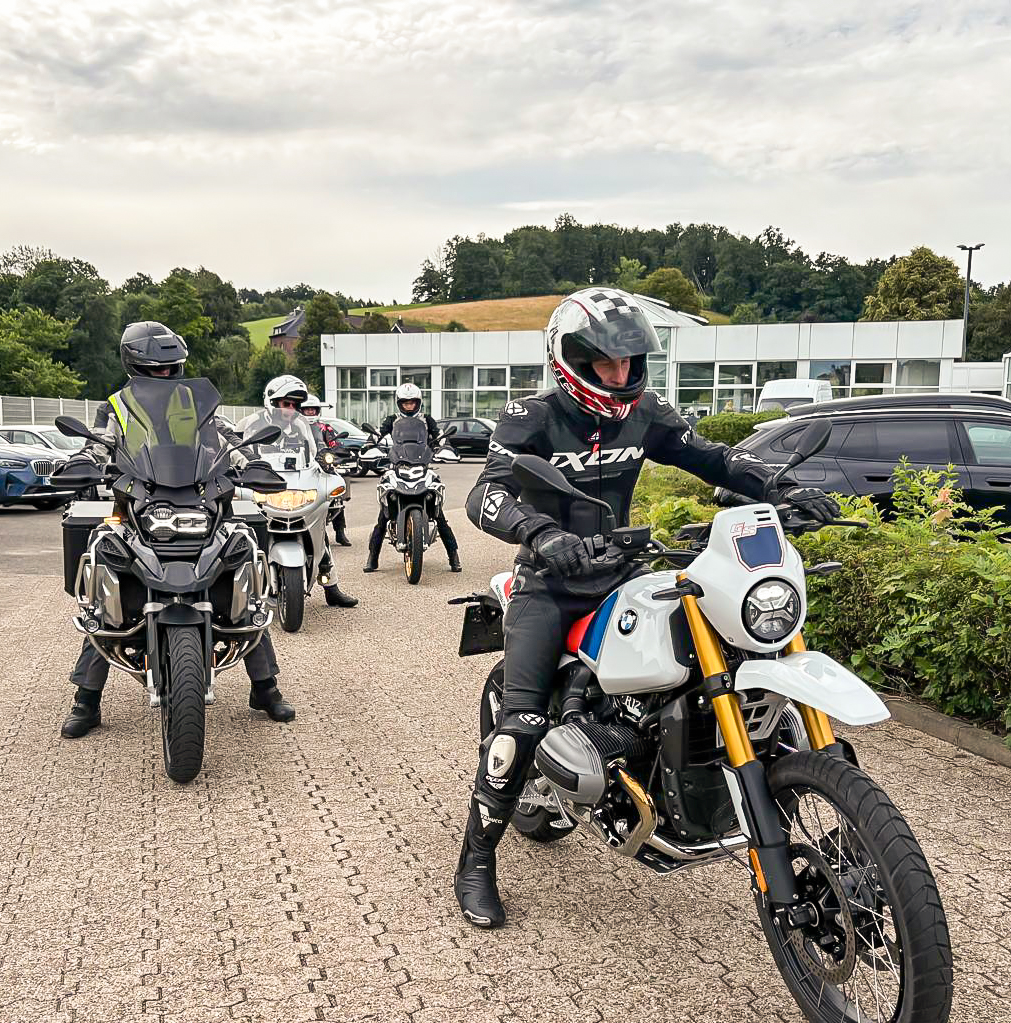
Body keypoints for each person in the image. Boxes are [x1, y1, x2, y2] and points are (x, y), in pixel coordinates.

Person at [453, 288, 840, 928]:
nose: (619, 374)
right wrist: (541, 534)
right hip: (551, 582)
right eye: (605, 362)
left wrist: (783, 487)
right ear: (570, 360)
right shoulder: (532, 417)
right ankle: (476, 862)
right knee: (519, 724)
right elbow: (485, 494)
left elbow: (713, 458)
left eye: (630, 362)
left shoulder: (645, 414)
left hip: (624, 569)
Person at [61, 321, 296, 739]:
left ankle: (265, 688)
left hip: (199, 496)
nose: (166, 374)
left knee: (241, 567)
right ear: (135, 364)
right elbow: (98, 442)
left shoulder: (197, 402)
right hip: (139, 499)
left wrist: (251, 462)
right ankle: (86, 700)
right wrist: (84, 461)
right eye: (158, 368)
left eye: (171, 367)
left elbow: (226, 438)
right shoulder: (116, 406)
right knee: (106, 580)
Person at [242, 375, 359, 608]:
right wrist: (241, 465)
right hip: (263, 483)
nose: (291, 409)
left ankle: (331, 587)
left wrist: (324, 462)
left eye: (295, 405)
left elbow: (313, 451)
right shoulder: (252, 423)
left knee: (317, 528)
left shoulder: (300, 424)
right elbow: (237, 449)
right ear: (272, 402)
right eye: (286, 403)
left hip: (295, 483)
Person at [363, 383, 462, 573]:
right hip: (398, 465)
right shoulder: (392, 420)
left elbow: (440, 436)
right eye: (405, 403)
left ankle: (453, 556)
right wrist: (370, 444)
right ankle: (372, 558)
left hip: (421, 465)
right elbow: (378, 434)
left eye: (412, 402)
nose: (409, 406)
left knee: (439, 515)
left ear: (418, 402)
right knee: (384, 516)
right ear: (399, 403)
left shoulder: (426, 420)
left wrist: (446, 446)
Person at [299, 394, 351, 546]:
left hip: (322, 464)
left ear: (317, 411)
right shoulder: (295, 428)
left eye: (312, 410)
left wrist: (337, 453)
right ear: (301, 411)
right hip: (301, 465)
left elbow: (336, 443)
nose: (310, 412)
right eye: (307, 410)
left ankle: (340, 532)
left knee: (336, 493)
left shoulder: (324, 427)